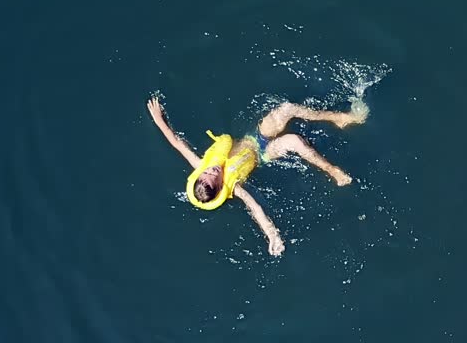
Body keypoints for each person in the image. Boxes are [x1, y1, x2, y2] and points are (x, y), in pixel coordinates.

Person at [146, 94, 368, 256]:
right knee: (294, 142)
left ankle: (338, 118)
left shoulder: (199, 164)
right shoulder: (234, 188)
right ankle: (332, 171)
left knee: (286, 108)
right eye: (214, 175)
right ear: (220, 185)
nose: (212, 170)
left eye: (205, 173)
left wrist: (158, 119)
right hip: (263, 154)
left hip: (255, 138)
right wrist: (272, 235)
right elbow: (255, 208)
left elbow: (176, 142)